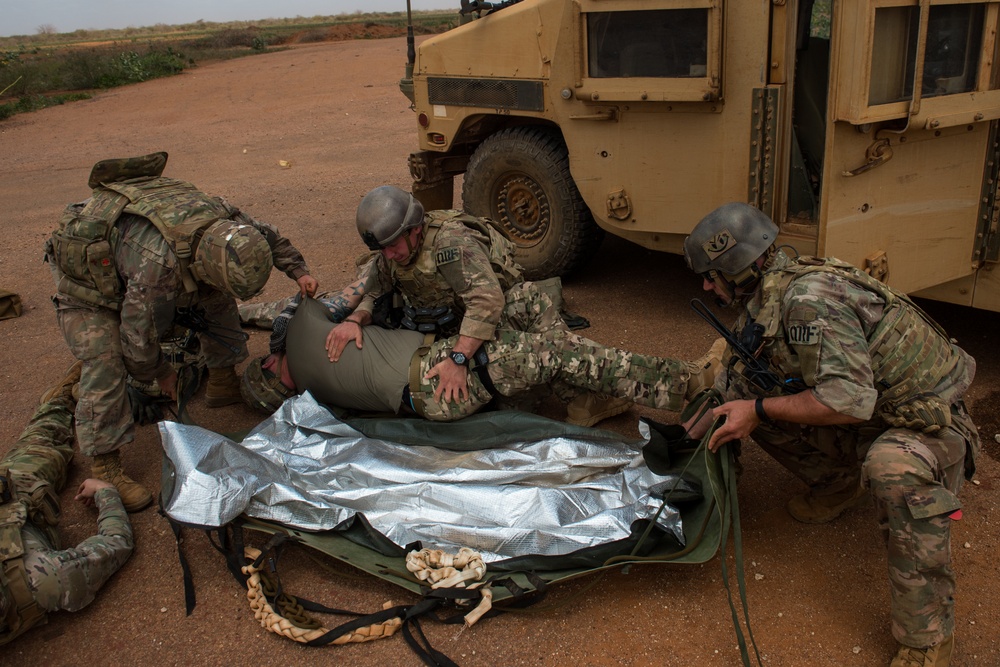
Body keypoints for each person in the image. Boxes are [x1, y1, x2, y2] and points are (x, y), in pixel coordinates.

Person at [681, 202, 979, 667]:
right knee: (750, 397)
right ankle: (840, 485)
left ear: (740, 271)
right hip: (870, 409)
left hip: (926, 420)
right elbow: (735, 381)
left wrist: (757, 409)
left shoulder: (809, 299)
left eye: (711, 275)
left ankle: (928, 639)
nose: (705, 286)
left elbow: (846, 400)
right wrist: (690, 433)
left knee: (891, 468)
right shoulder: (768, 296)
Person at [44, 151, 318, 511]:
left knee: (216, 299)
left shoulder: (228, 226)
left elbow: (269, 237)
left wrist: (299, 271)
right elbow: (137, 339)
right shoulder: (157, 266)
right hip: (89, 294)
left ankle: (222, 380)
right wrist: (162, 373)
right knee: (106, 357)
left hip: (145, 268)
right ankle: (105, 467)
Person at [325, 185, 628, 426]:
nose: (388, 255)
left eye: (392, 247)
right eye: (382, 249)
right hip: (451, 332)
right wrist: (356, 318)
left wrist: (458, 359)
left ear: (414, 229)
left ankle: (581, 398)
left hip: (488, 321)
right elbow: (374, 289)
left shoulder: (451, 243)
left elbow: (487, 301)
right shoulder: (392, 254)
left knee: (530, 315)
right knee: (510, 405)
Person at [241, 295, 721, 423]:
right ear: (270, 368)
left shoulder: (313, 387)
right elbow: (297, 303)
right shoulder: (301, 343)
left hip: (431, 368)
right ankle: (688, 386)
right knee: (551, 349)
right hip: (437, 381)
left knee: (526, 301)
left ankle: (580, 397)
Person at [1, 362, 134, 645]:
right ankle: (60, 402)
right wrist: (106, 492)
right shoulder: (44, 580)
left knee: (42, 442)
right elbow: (116, 543)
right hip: (22, 493)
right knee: (44, 447)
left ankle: (59, 401)